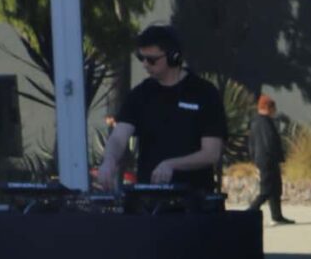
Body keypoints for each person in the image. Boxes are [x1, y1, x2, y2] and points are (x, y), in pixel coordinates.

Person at [96, 25, 226, 193]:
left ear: (173, 57)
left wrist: (172, 164)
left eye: (152, 60)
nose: (145, 64)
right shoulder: (140, 94)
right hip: (149, 196)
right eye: (141, 58)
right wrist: (109, 160)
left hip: (194, 197)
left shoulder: (203, 93)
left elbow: (211, 153)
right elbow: (119, 137)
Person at [247, 93, 290, 224]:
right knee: (266, 190)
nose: (275, 111)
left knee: (275, 189)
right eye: (273, 108)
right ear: (268, 108)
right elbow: (269, 141)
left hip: (262, 159)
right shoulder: (265, 122)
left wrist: (254, 158)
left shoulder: (255, 122)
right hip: (268, 160)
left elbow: (251, 143)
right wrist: (276, 157)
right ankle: (249, 212)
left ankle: (277, 216)